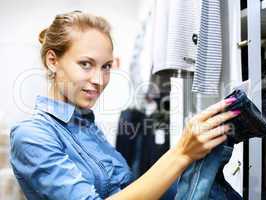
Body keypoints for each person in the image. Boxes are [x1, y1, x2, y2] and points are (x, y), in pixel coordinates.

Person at [10, 11, 240, 200]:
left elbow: (126, 189)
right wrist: (181, 153)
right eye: (86, 64)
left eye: (106, 66)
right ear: (52, 61)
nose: (99, 80)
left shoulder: (85, 124)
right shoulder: (31, 135)